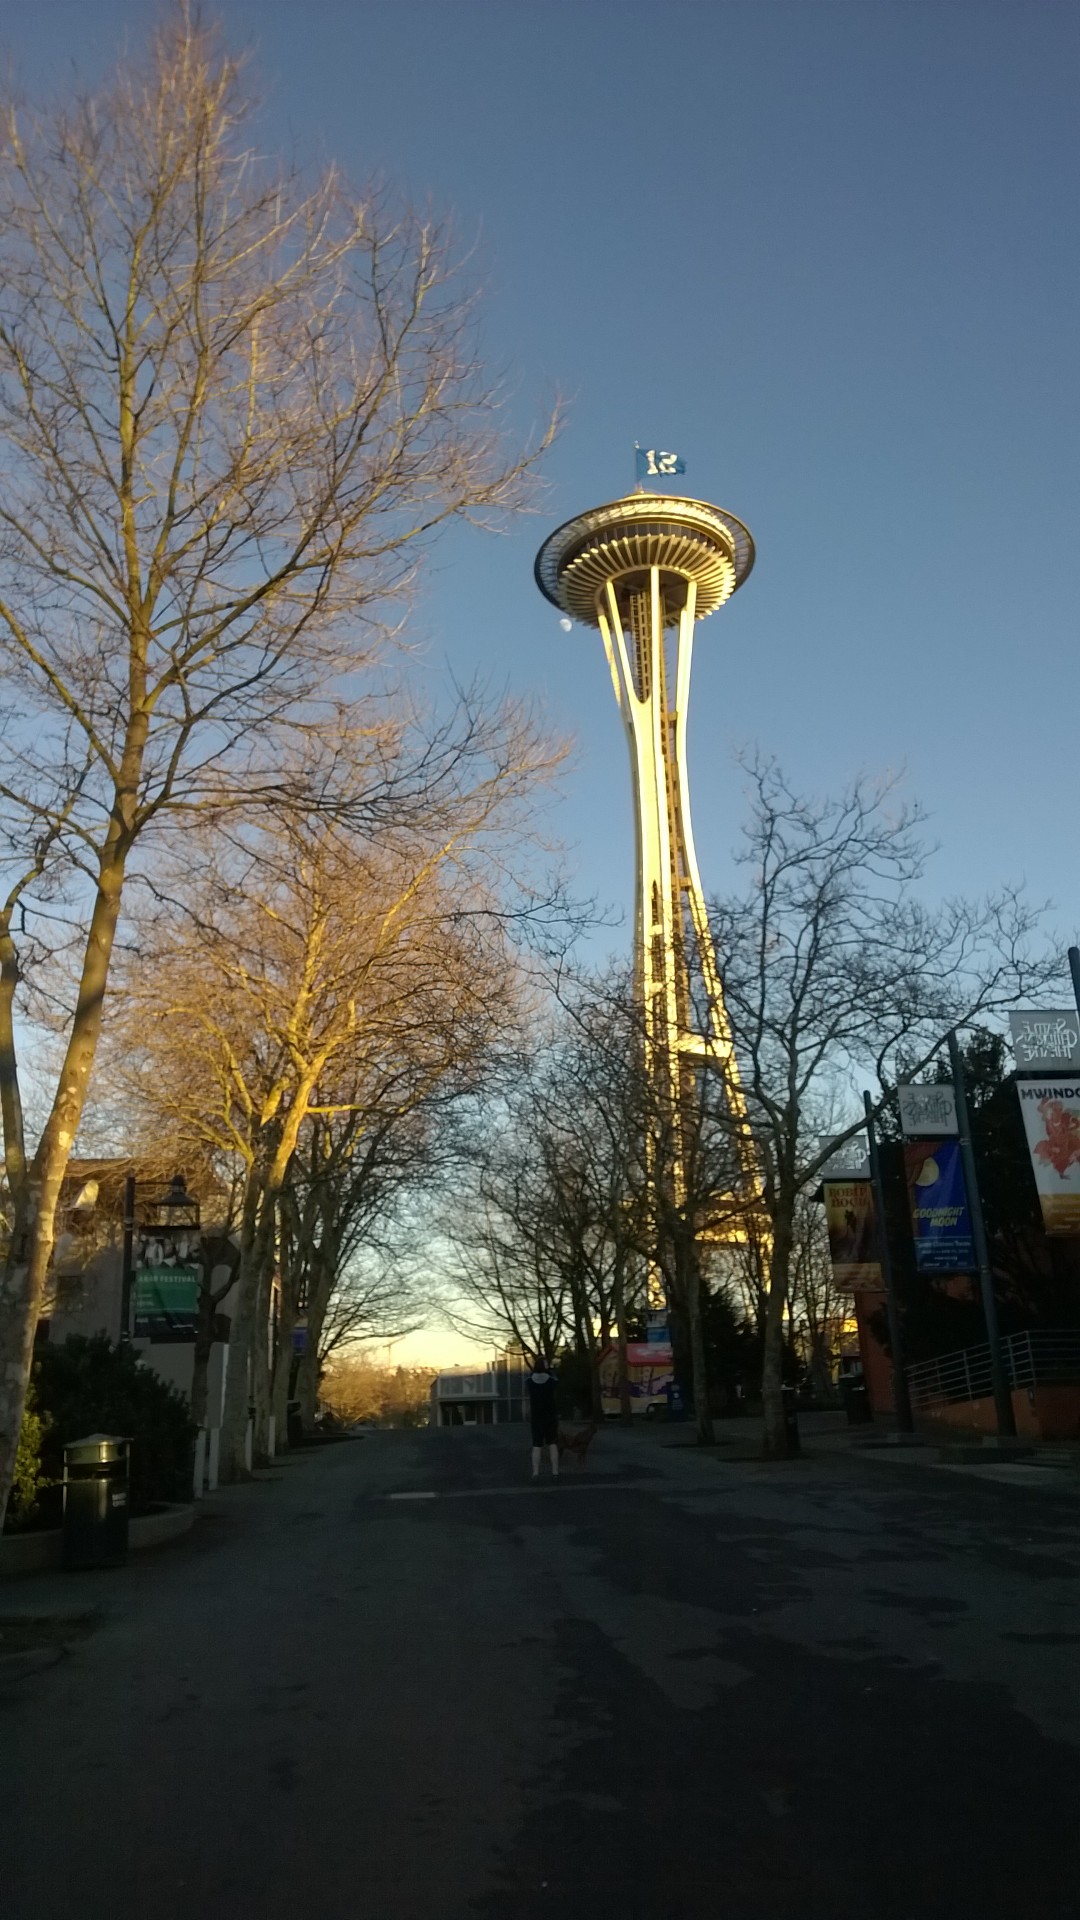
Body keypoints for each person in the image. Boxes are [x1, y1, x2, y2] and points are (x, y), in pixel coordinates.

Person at [524, 1357, 559, 1480]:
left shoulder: (529, 1381)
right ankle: (555, 1472)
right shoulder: (551, 1380)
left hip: (536, 1417)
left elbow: (527, 1382)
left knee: (536, 1445)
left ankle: (535, 1472)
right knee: (552, 1444)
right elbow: (556, 1382)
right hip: (550, 1416)